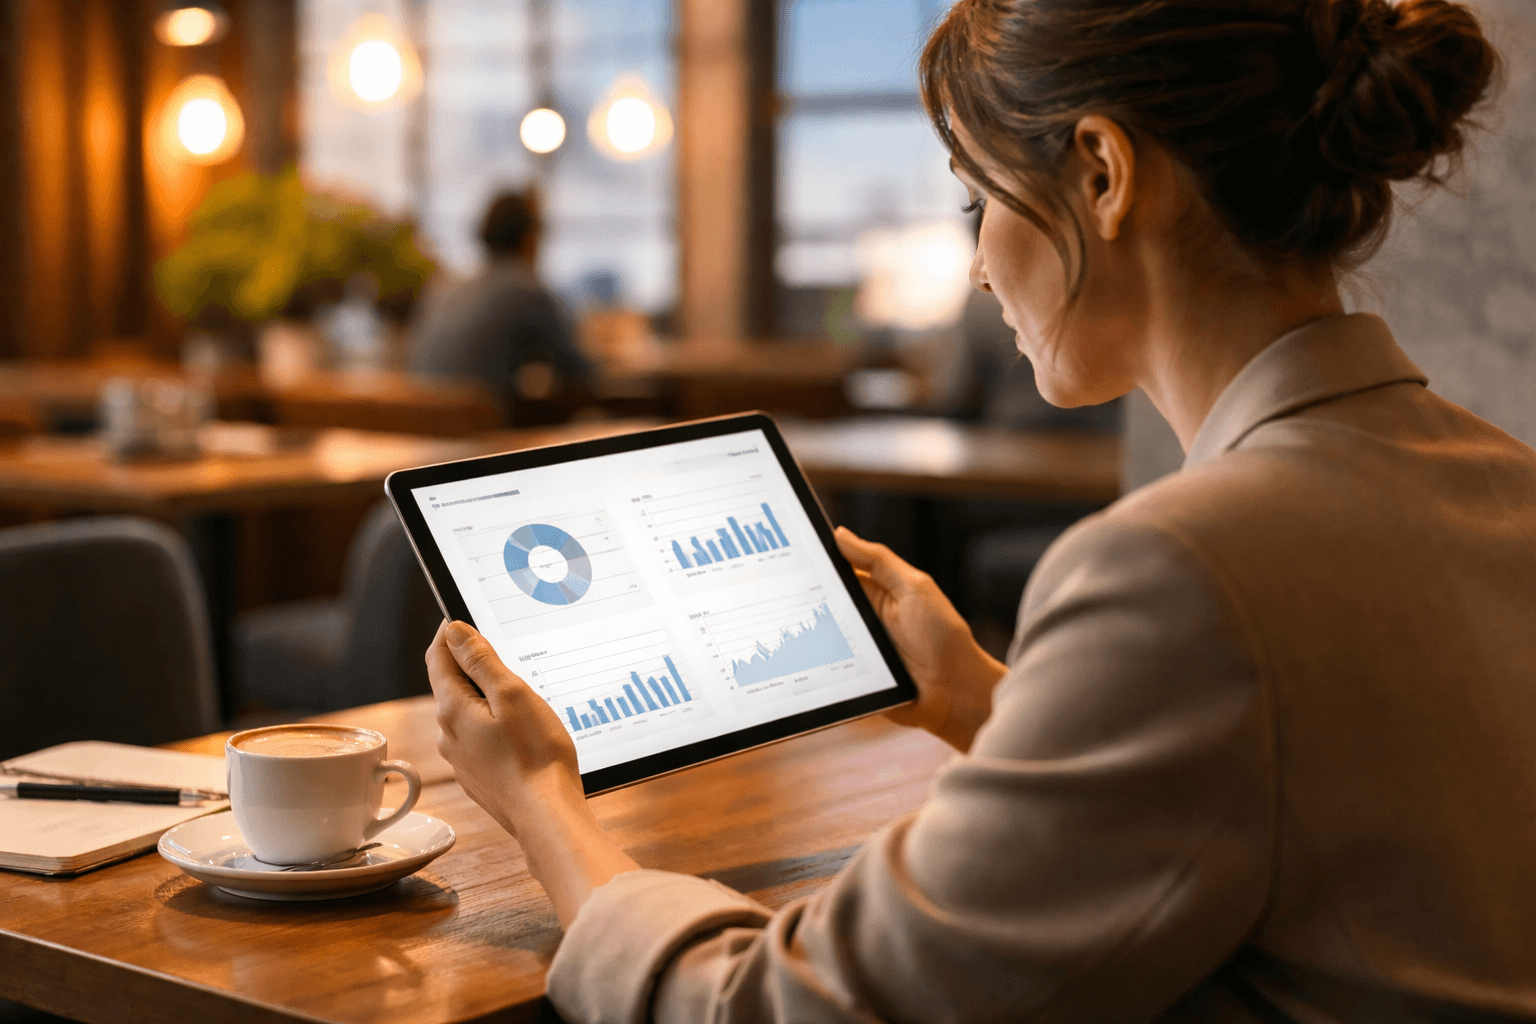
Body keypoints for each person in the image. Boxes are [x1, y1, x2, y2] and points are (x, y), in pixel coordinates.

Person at [426, 0, 1535, 1020]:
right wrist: (977, 698)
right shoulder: (1504, 483)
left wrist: (541, 802)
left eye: (978, 196)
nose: (975, 267)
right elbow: (1274, 810)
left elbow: (793, 1009)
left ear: (1101, 172)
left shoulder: (1185, 570)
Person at [407, 190, 592, 419]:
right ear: (529, 238)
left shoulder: (445, 288)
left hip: (424, 423)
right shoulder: (526, 291)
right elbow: (579, 370)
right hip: (481, 429)